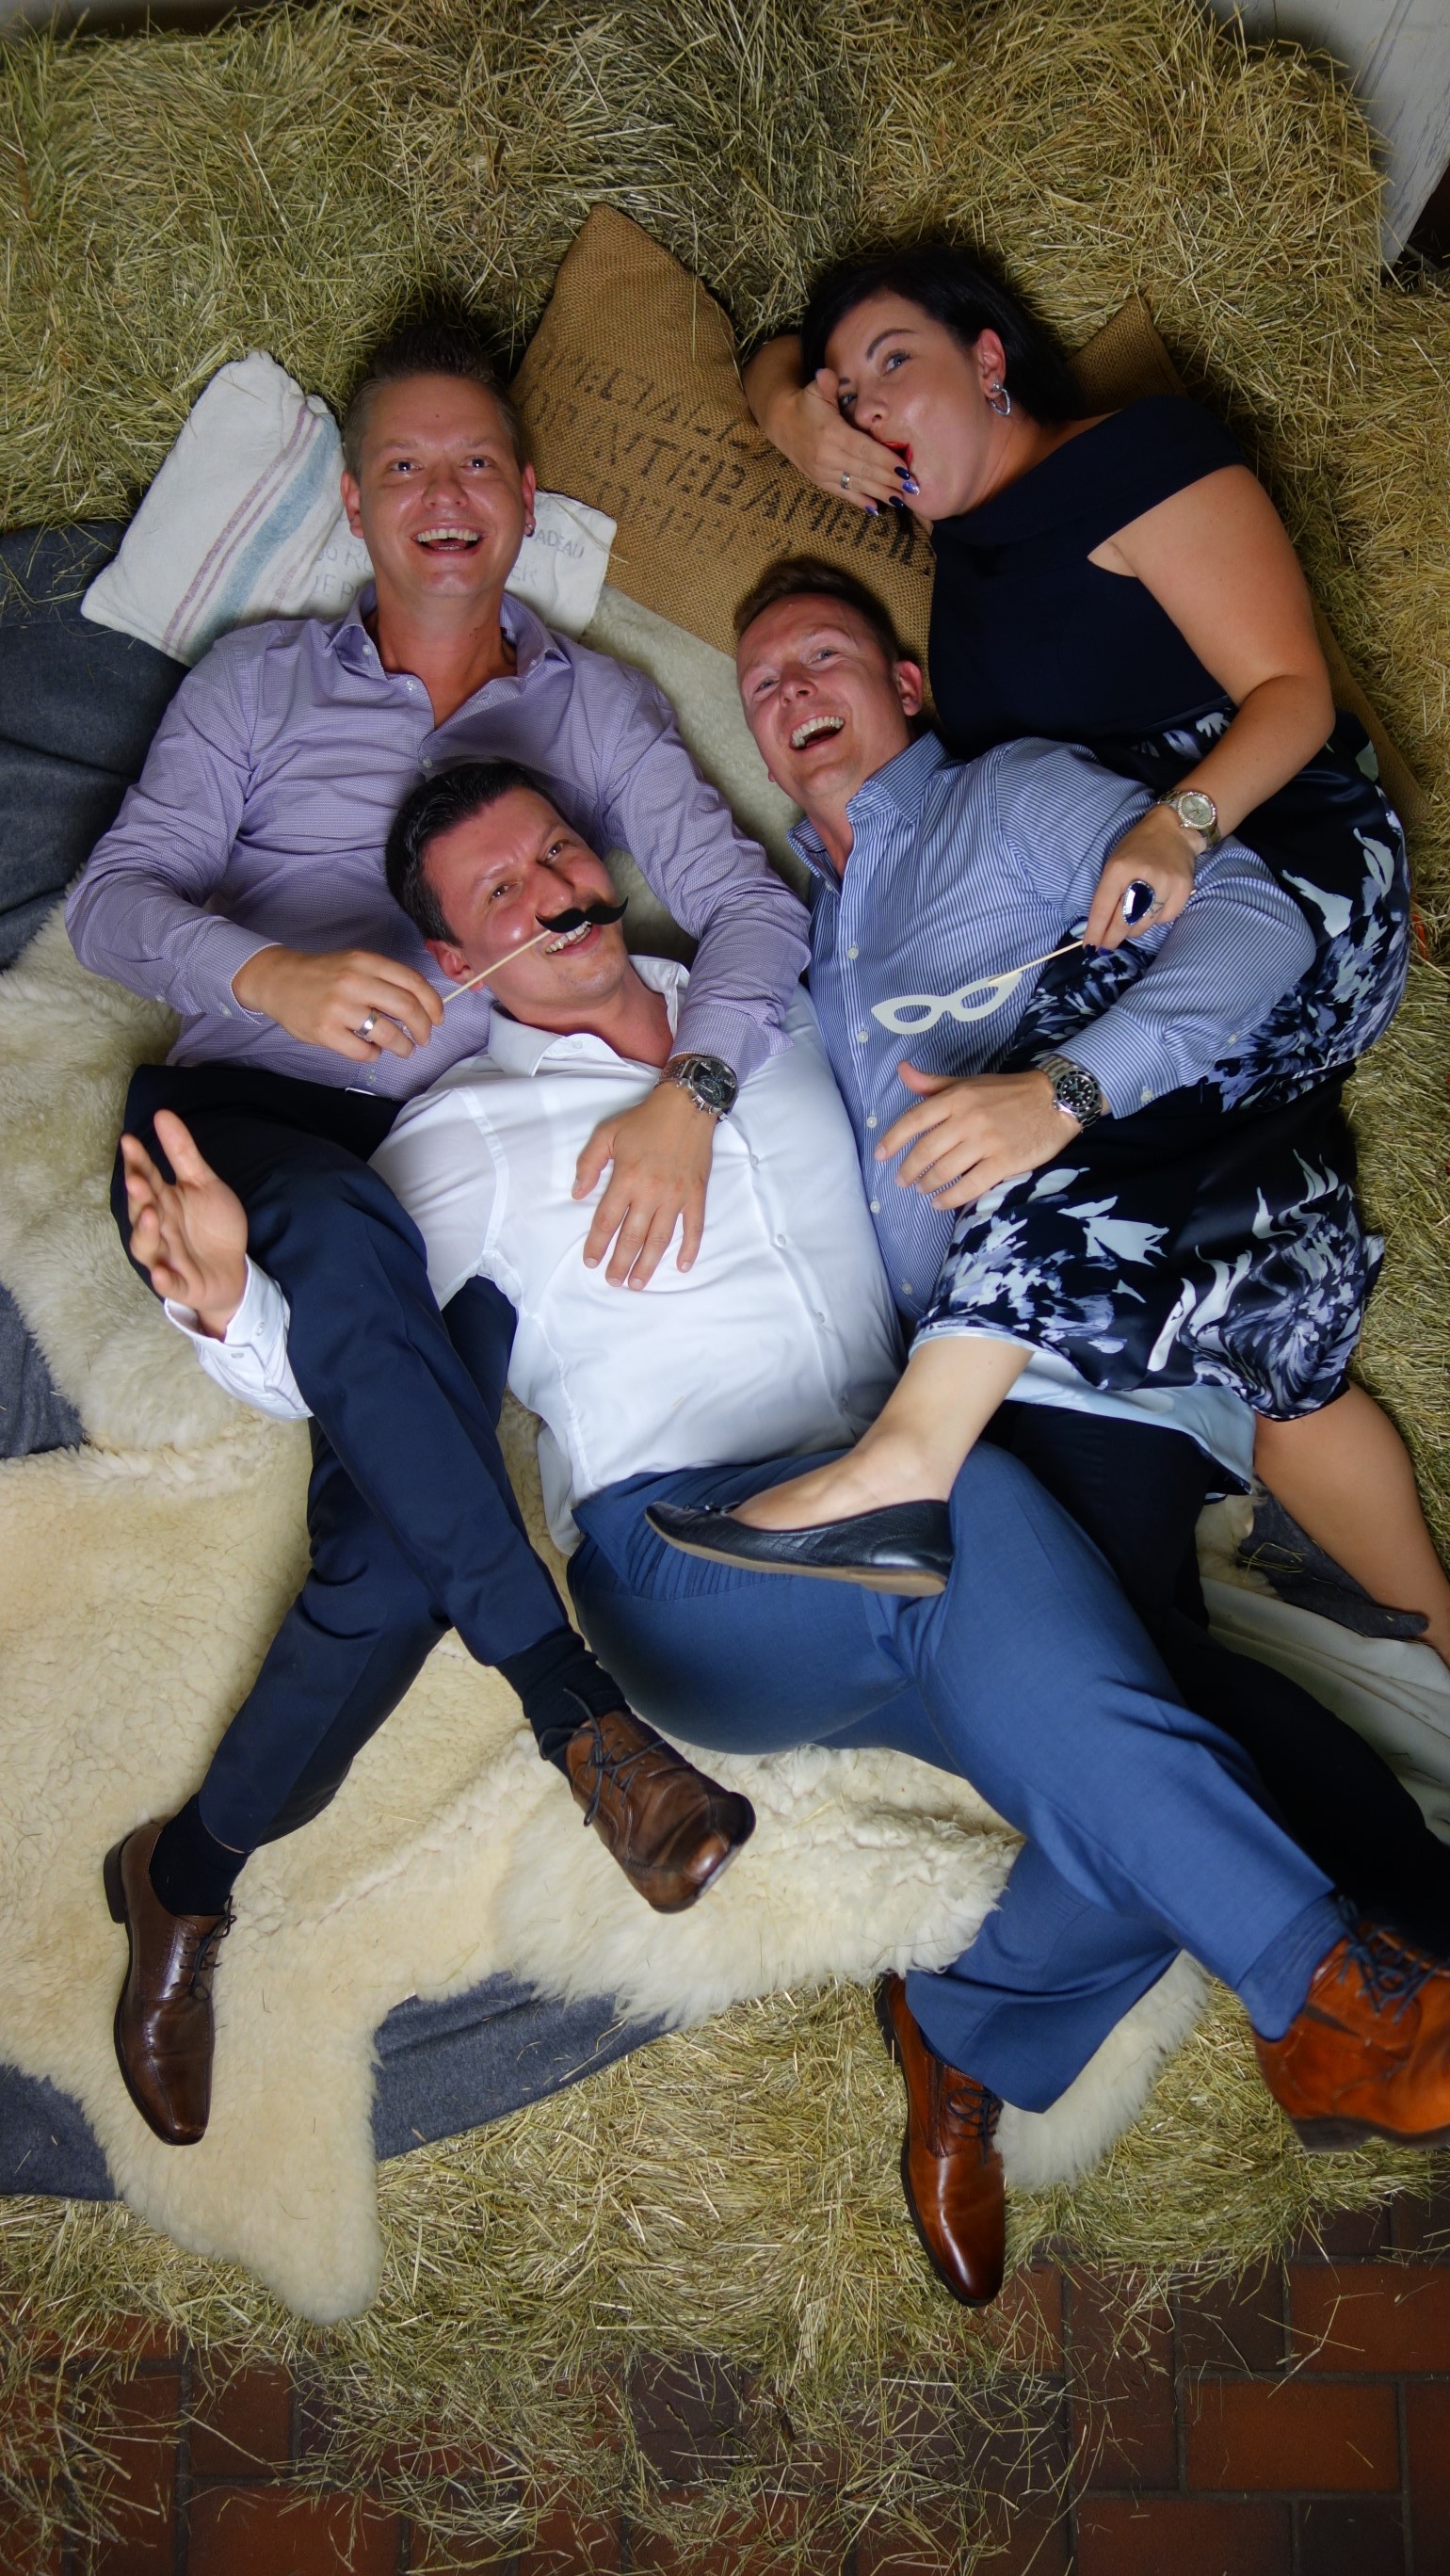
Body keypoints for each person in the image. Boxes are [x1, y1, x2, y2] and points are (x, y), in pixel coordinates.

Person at [127, 756, 1450, 2310]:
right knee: (979, 1516)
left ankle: (963, 2039)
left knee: (1132, 1743)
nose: (552, 892)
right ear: (451, 957)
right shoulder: (462, 1138)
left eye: (558, 852)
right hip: (692, 1570)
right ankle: (1327, 1990)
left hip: (918, 1530)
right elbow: (362, 1383)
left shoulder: (776, 1016)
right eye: (500, 891)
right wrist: (232, 1305)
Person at [75, 314, 809, 2144]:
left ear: (525, 495)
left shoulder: (588, 710)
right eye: (403, 467)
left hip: (457, 1175)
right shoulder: (262, 684)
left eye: (476, 461)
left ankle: (186, 1875)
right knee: (329, 1227)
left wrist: (690, 1092)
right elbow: (112, 907)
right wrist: (271, 973)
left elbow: (750, 912)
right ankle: (577, 1718)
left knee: (406, 1557)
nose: (443, 497)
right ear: (355, 506)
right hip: (243, 1130)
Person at [653, 561, 1450, 1953]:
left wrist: (1061, 1096)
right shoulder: (806, 926)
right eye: (763, 685)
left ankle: (1406, 1950)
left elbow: (1254, 923)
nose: (792, 693)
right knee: (1101, 1686)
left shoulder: (1003, 798)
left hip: (1084, 1312)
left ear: (907, 686)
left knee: (1116, 1684)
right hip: (996, 1346)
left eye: (825, 656)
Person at [741, 246, 1450, 1660]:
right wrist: (784, 405)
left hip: (1275, 864)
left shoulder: (1137, 461)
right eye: (846, 392)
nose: (867, 407)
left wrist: (1184, 824)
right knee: (1258, 1267)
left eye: (895, 364)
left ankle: (904, 1468)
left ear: (990, 358)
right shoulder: (961, 551)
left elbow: (1295, 692)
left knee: (1040, 1131)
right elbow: (772, 359)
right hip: (1148, 917)